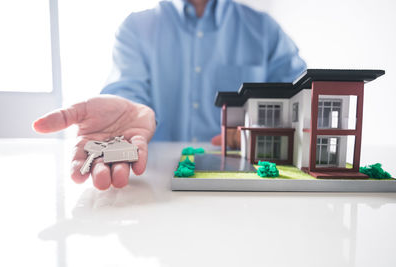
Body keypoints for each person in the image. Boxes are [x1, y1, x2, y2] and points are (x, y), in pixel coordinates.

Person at [33, 0, 306, 190]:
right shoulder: (136, 28)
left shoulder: (264, 30)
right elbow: (128, 89)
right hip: (151, 186)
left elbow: (298, 96)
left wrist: (265, 129)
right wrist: (125, 108)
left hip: (244, 187)